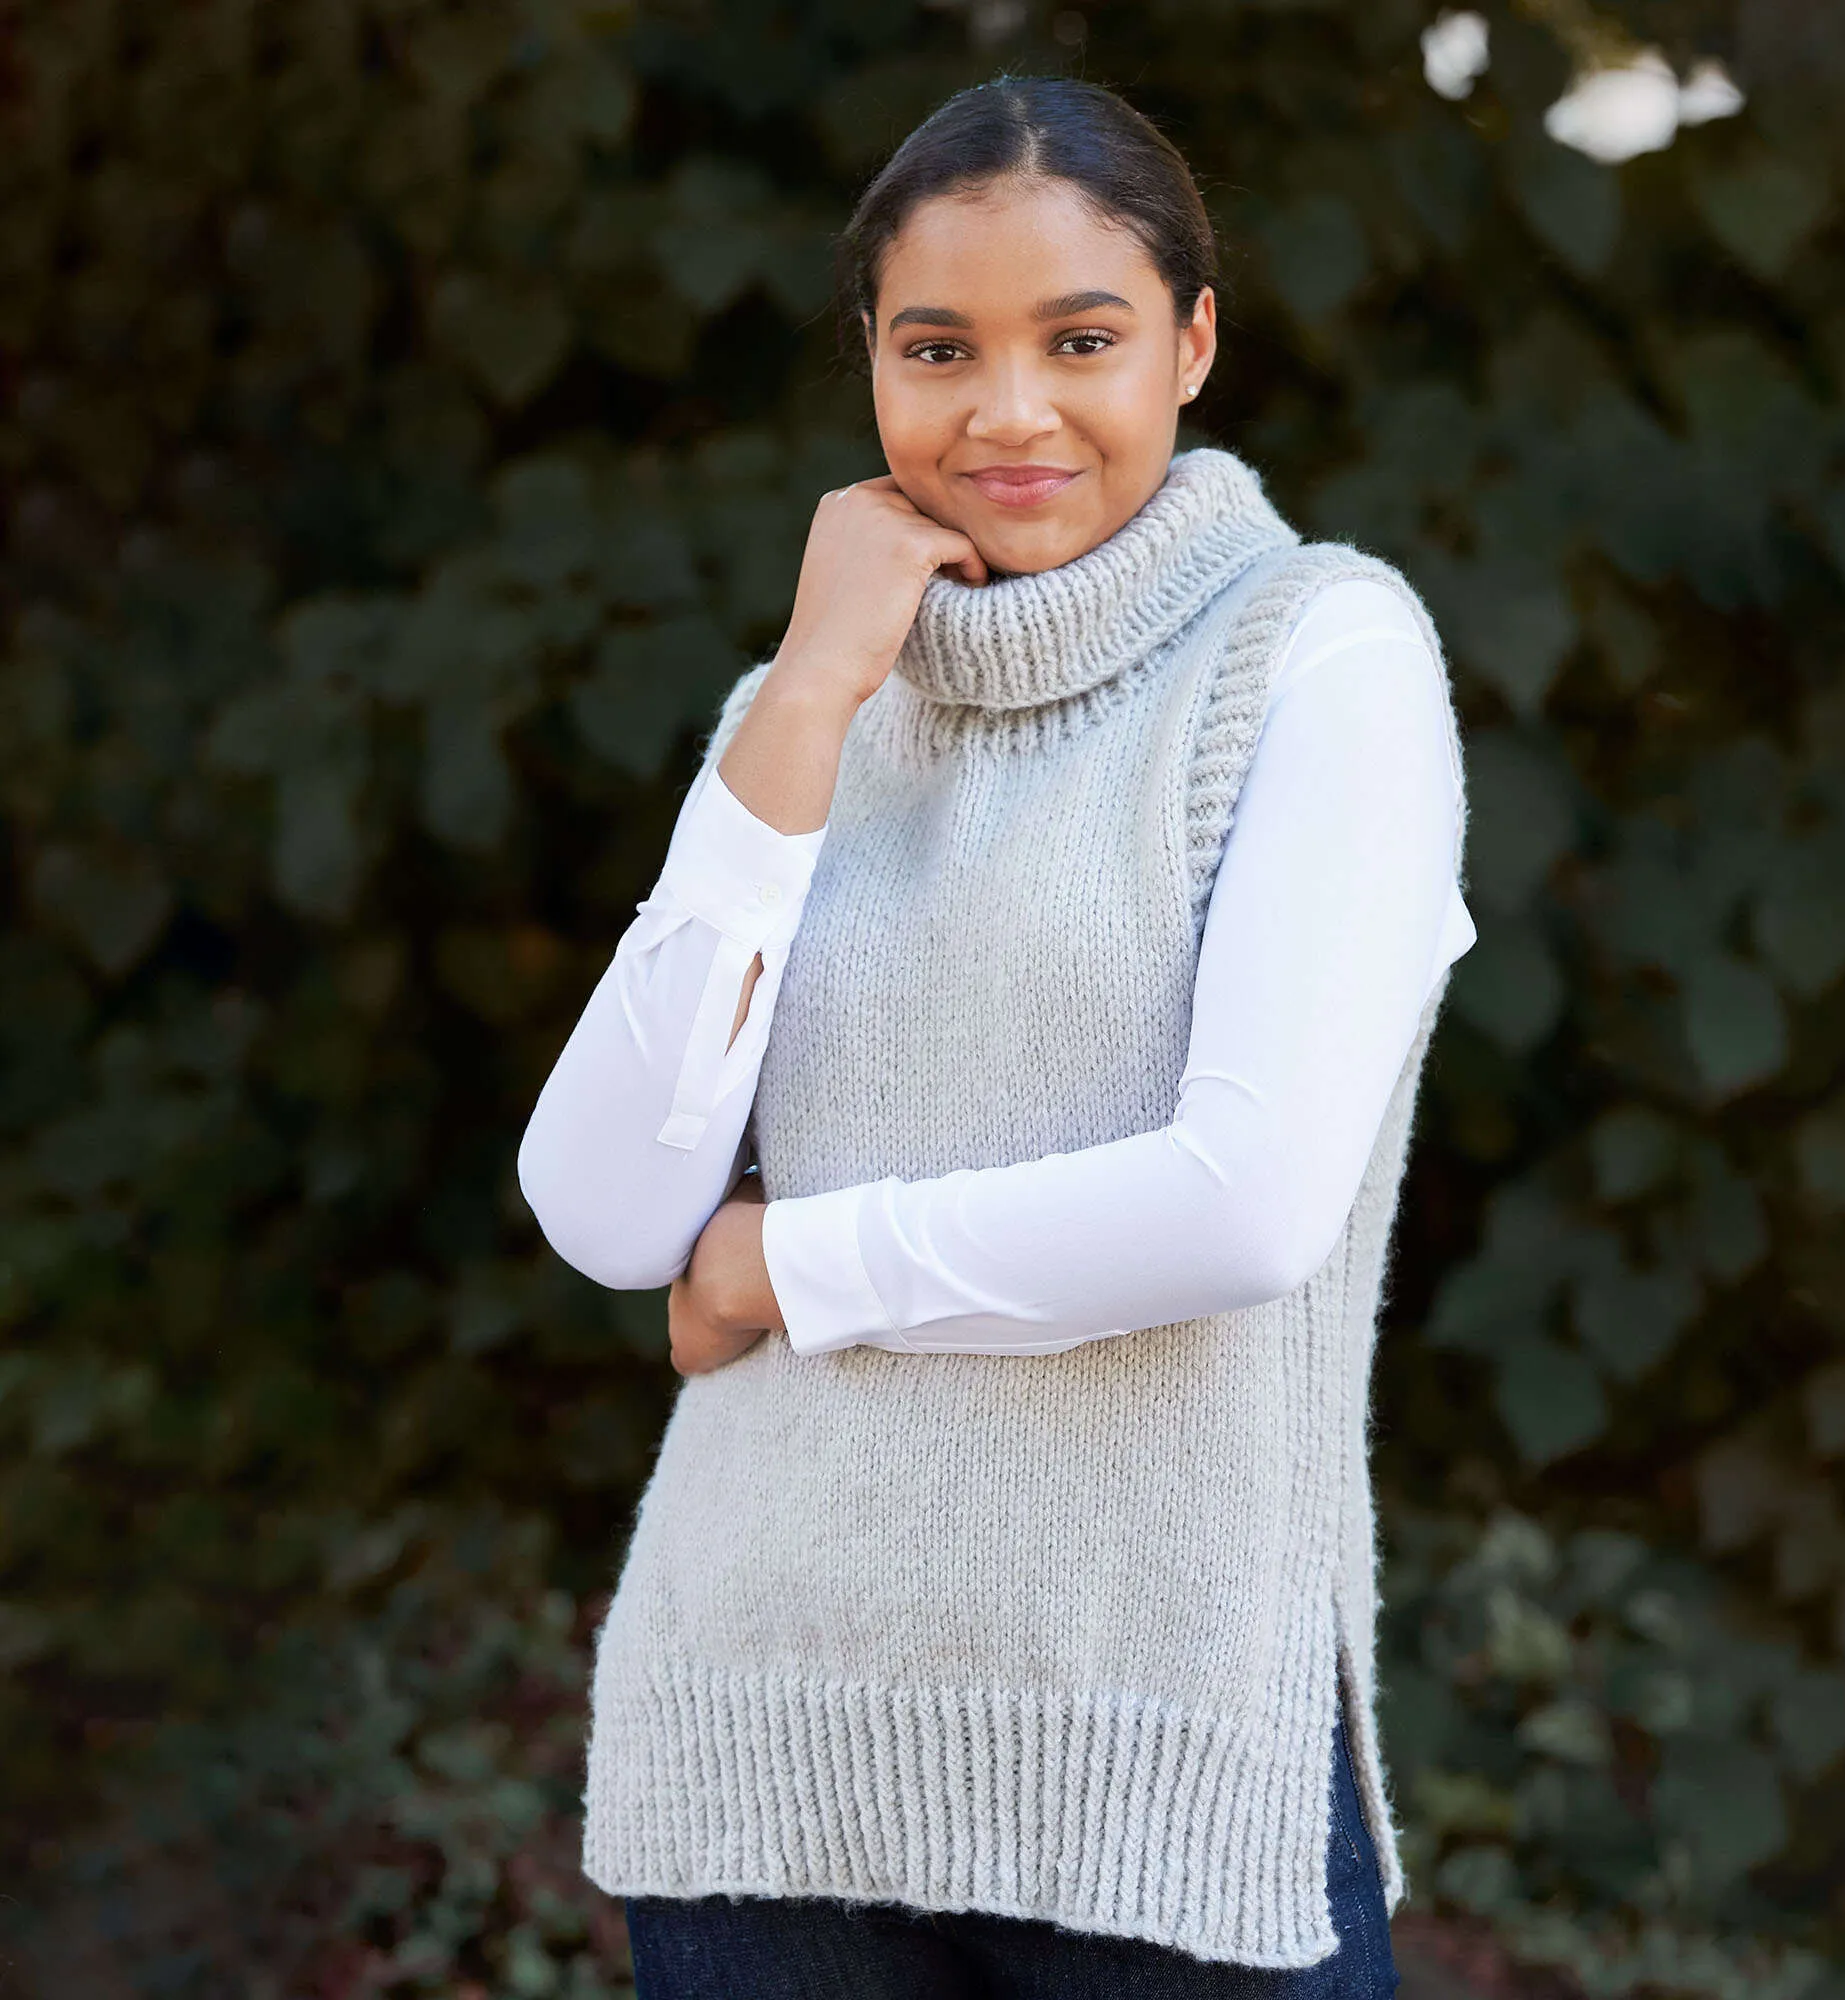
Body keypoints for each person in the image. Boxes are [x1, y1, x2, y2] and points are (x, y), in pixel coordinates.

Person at [518, 73, 1474, 1999]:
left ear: (1195, 347)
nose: (1008, 410)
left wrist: (789, 1262)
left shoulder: (1321, 655)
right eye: (938, 347)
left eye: (1084, 340)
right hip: (754, 1753)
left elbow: (1243, 1205)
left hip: (1156, 1764)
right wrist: (807, 696)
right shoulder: (797, 708)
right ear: (869, 362)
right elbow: (608, 1208)